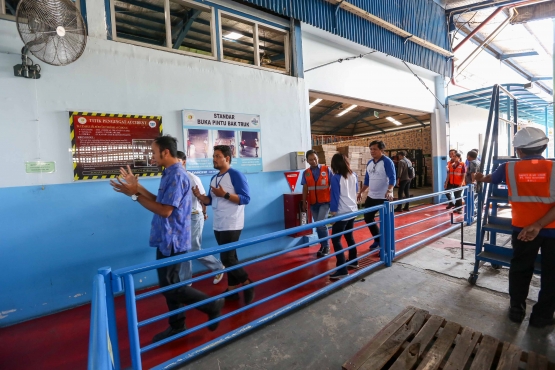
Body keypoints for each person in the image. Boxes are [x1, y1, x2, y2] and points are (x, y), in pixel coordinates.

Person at [110, 135, 223, 343]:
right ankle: (178, 326)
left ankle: (211, 305)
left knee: (170, 286)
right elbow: (160, 201)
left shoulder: (177, 176)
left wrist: (134, 196)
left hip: (173, 240)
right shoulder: (170, 173)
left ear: (165, 152)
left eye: (153, 153)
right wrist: (138, 189)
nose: (151, 157)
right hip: (167, 238)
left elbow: (165, 211)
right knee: (172, 284)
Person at [475, 127, 555, 328]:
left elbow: (490, 179)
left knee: (520, 269)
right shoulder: (554, 168)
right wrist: (539, 225)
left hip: (522, 230)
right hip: (552, 229)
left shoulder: (508, 168)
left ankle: (516, 310)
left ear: (518, 151)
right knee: (552, 274)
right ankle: (542, 317)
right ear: (544, 147)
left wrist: (478, 177)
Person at [192, 145, 255, 304]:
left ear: (227, 158)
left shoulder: (236, 175)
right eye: (213, 156)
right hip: (218, 223)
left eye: (217, 156)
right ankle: (232, 288)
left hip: (232, 222)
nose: (214, 159)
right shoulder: (214, 178)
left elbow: (245, 198)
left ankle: (248, 283)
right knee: (230, 257)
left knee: (227, 258)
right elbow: (210, 200)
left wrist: (225, 194)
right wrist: (200, 196)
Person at [176, 151, 224, 285]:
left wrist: (203, 213)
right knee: (183, 249)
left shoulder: (192, 178)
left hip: (194, 216)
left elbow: (203, 197)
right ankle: (186, 282)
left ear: (183, 162)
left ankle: (218, 267)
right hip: (181, 218)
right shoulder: (175, 179)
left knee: (193, 249)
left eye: (177, 161)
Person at [357, 140, 396, 249]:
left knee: (385, 222)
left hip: (384, 197)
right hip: (371, 196)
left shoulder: (387, 162)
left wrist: (389, 190)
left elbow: (392, 178)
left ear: (381, 150)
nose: (372, 151)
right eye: (371, 149)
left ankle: (386, 247)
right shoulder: (370, 163)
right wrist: (361, 192)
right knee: (368, 218)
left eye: (375, 149)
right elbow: (367, 180)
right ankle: (378, 239)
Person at [329, 153, 359, 280]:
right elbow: (356, 191)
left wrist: (333, 212)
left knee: (336, 240)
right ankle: (353, 261)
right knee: (349, 236)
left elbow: (335, 196)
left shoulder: (336, 178)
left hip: (342, 212)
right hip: (352, 211)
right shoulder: (354, 175)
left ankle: (342, 269)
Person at [301, 150, 333, 258]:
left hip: (325, 202)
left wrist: (334, 201)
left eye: (315, 159)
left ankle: (327, 246)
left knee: (321, 224)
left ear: (318, 158)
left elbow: (333, 185)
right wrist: (304, 201)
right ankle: (322, 246)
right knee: (317, 225)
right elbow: (305, 188)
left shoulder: (326, 169)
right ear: (307, 160)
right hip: (313, 203)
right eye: (310, 159)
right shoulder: (306, 173)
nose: (313, 161)